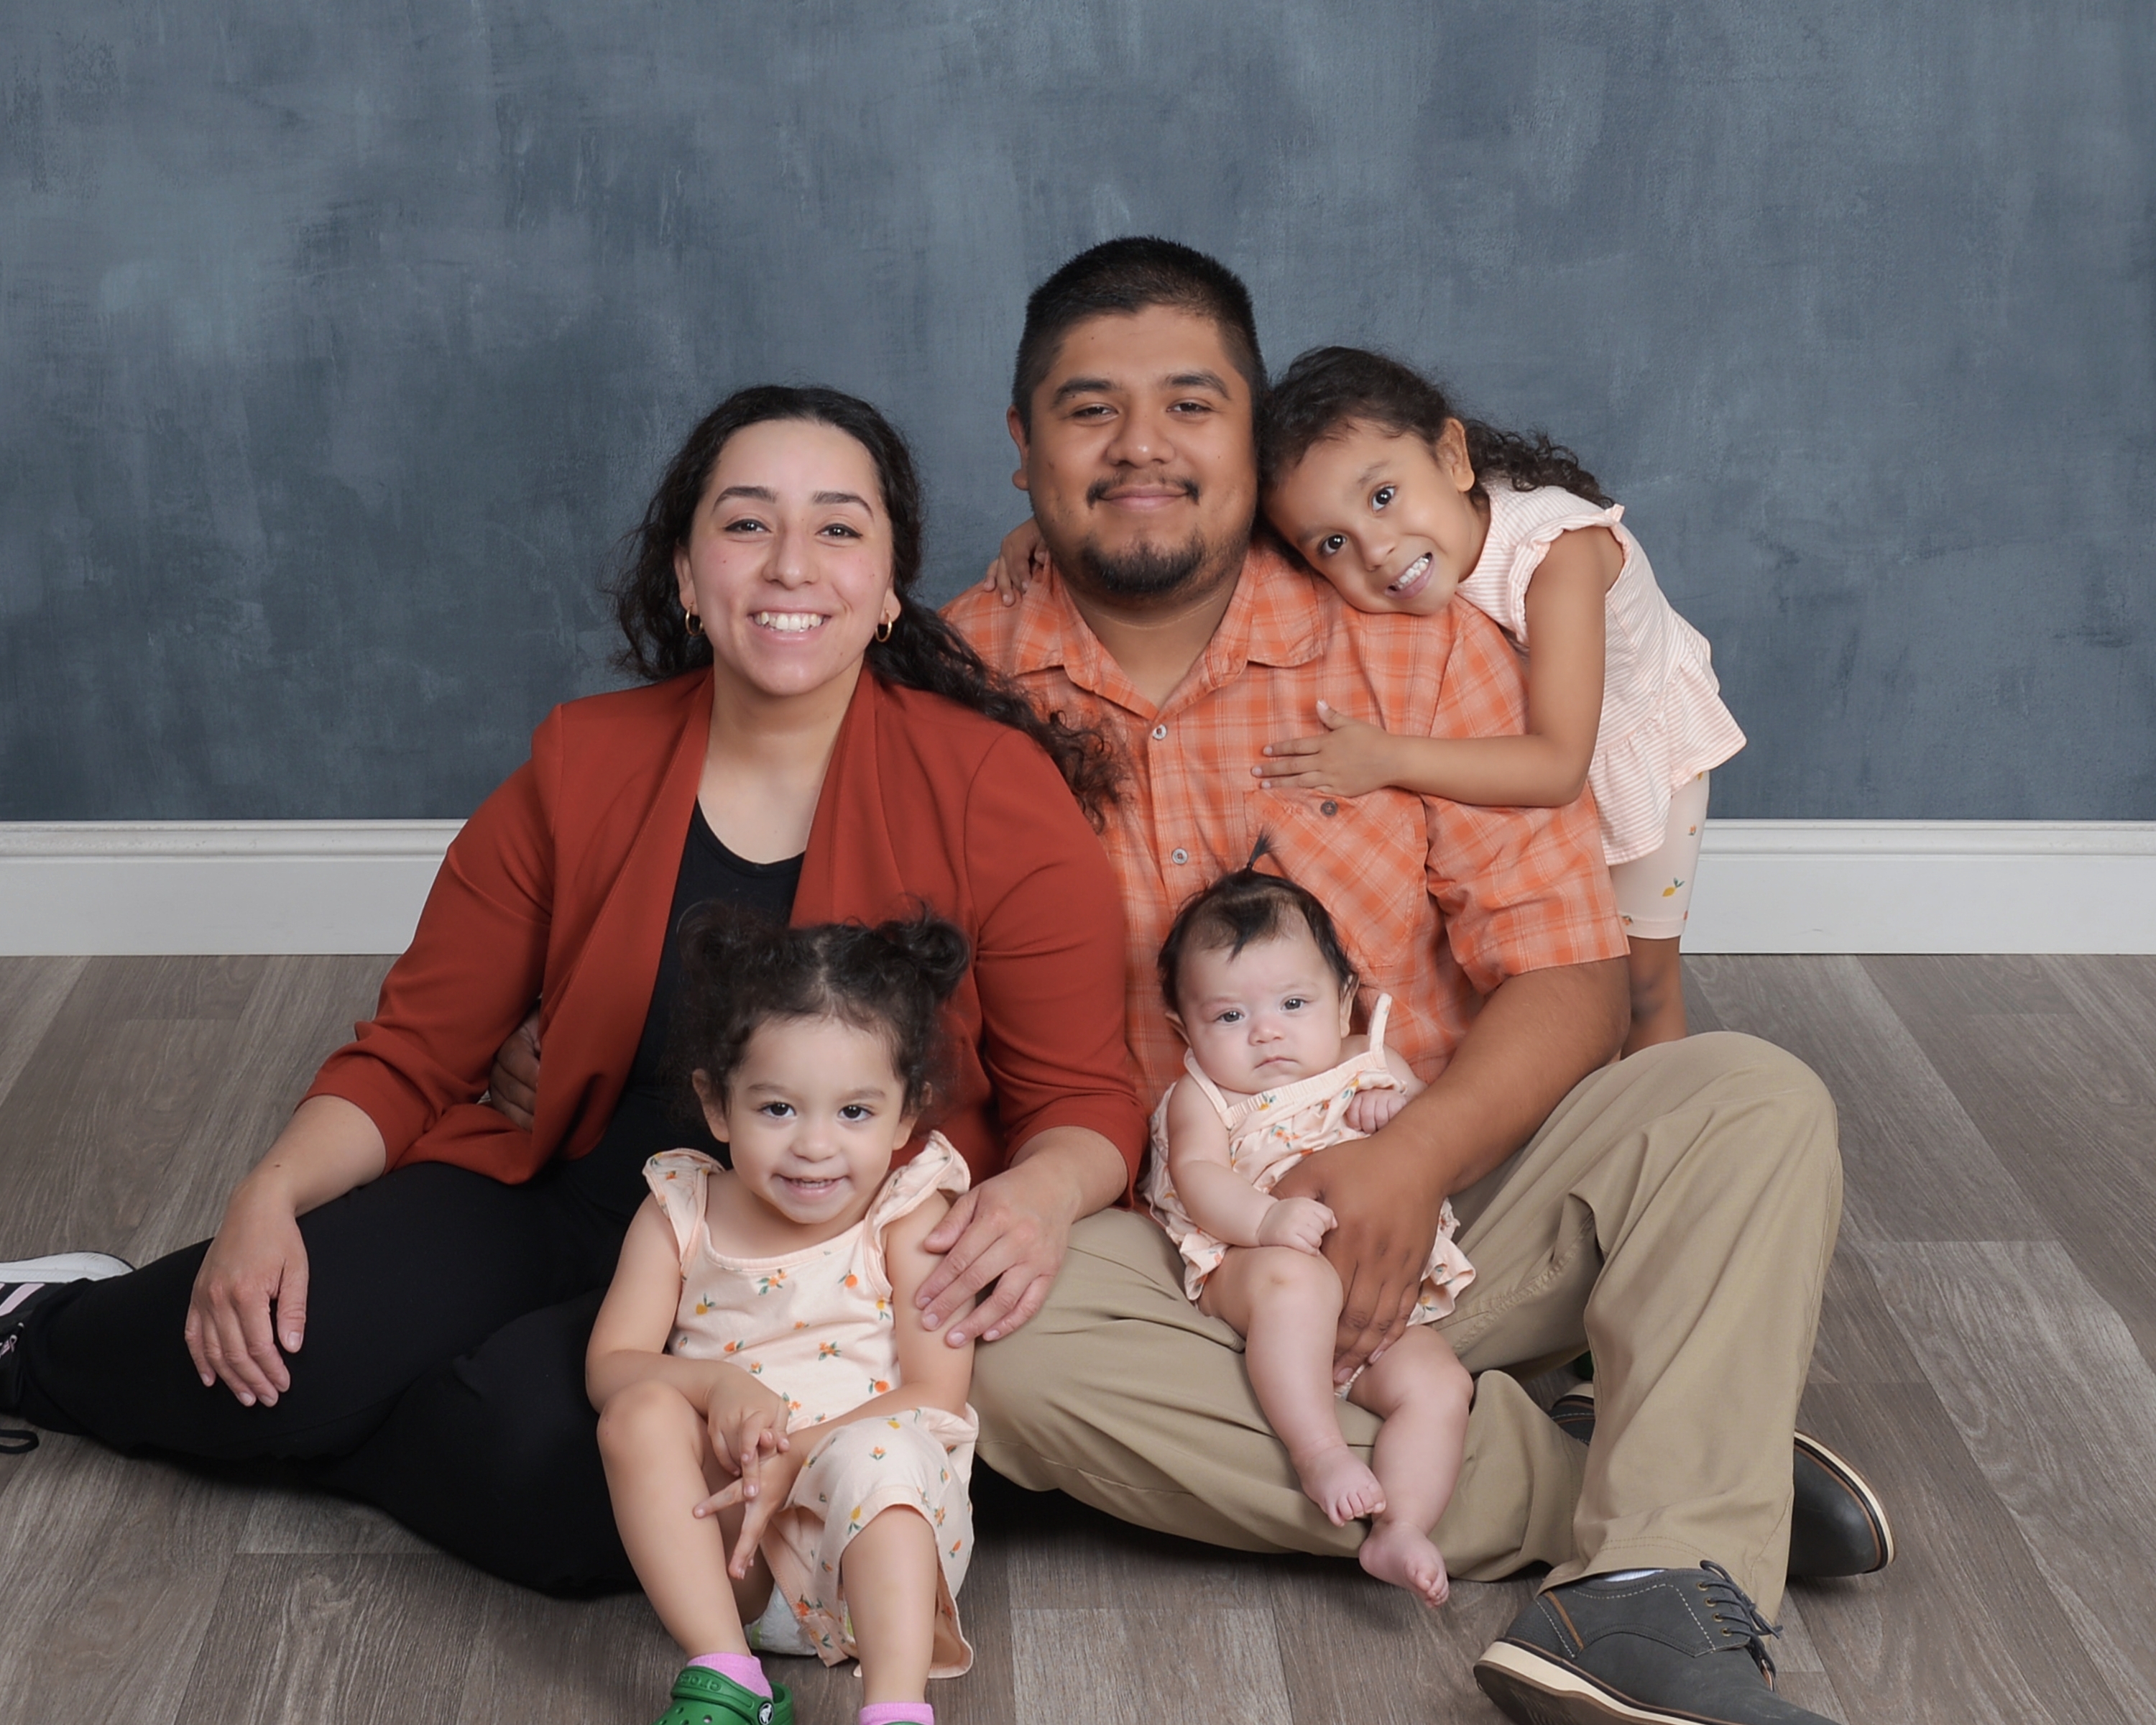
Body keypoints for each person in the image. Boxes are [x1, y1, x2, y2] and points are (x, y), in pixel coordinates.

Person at [944, 237, 1886, 1725]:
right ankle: (1646, 1491)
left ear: (1252, 438)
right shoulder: (958, 682)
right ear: (1022, 448)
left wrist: (1405, 1161)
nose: (1142, 449)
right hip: (1184, 1261)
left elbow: (1572, 977)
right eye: (1088, 411)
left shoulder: (1414, 643)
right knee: (1011, 1367)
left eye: (1192, 405)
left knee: (1748, 1099)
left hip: (1453, 1222)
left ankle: (1654, 1557)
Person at [0, 385, 1143, 1597]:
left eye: (840, 528)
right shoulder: (581, 759)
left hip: (799, 1267)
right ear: (688, 577)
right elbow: (415, 1052)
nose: (791, 565)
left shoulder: (991, 787)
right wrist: (269, 1192)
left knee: (571, 1496)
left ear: (889, 589)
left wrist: (1042, 1196)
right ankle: (41, 1331)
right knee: (276, 1344)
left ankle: (367, 1405)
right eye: (747, 525)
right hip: (560, 1194)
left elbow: (1087, 1097)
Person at [988, 344, 1746, 1054]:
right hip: (1521, 730)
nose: (1376, 549)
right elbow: (1206, 514)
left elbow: (1557, 769)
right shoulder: (1409, 540)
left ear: (1452, 456)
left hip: (1622, 751)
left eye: (1384, 497)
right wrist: (1054, 527)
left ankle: (1655, 1120)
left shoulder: (1560, 558)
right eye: (1331, 545)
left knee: (1638, 982)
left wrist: (1386, 758)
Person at [591, 909, 981, 1725]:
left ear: (907, 1116)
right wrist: (715, 1382)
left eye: (854, 1113)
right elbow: (611, 1366)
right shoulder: (680, 1211)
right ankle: (729, 1673)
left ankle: (896, 1708)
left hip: (873, 1562)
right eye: (777, 1111)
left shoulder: (907, 1219)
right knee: (638, 1413)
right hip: (735, 1560)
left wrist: (794, 1456)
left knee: (882, 1453)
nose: (813, 1146)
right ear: (718, 1105)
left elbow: (938, 1393)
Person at [1143, 858, 1473, 1608]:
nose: (1266, 1033)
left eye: (1295, 1003)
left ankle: (1402, 1528)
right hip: (1254, 1264)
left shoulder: (1369, 1064)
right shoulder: (1201, 1096)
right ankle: (1319, 1452)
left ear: (1345, 1001)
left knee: (1439, 1384)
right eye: (1229, 1017)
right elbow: (1198, 1176)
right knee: (1299, 1281)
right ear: (1184, 1029)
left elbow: (1430, 1136)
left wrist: (1397, 1117)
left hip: (1381, 1297)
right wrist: (1266, 1220)